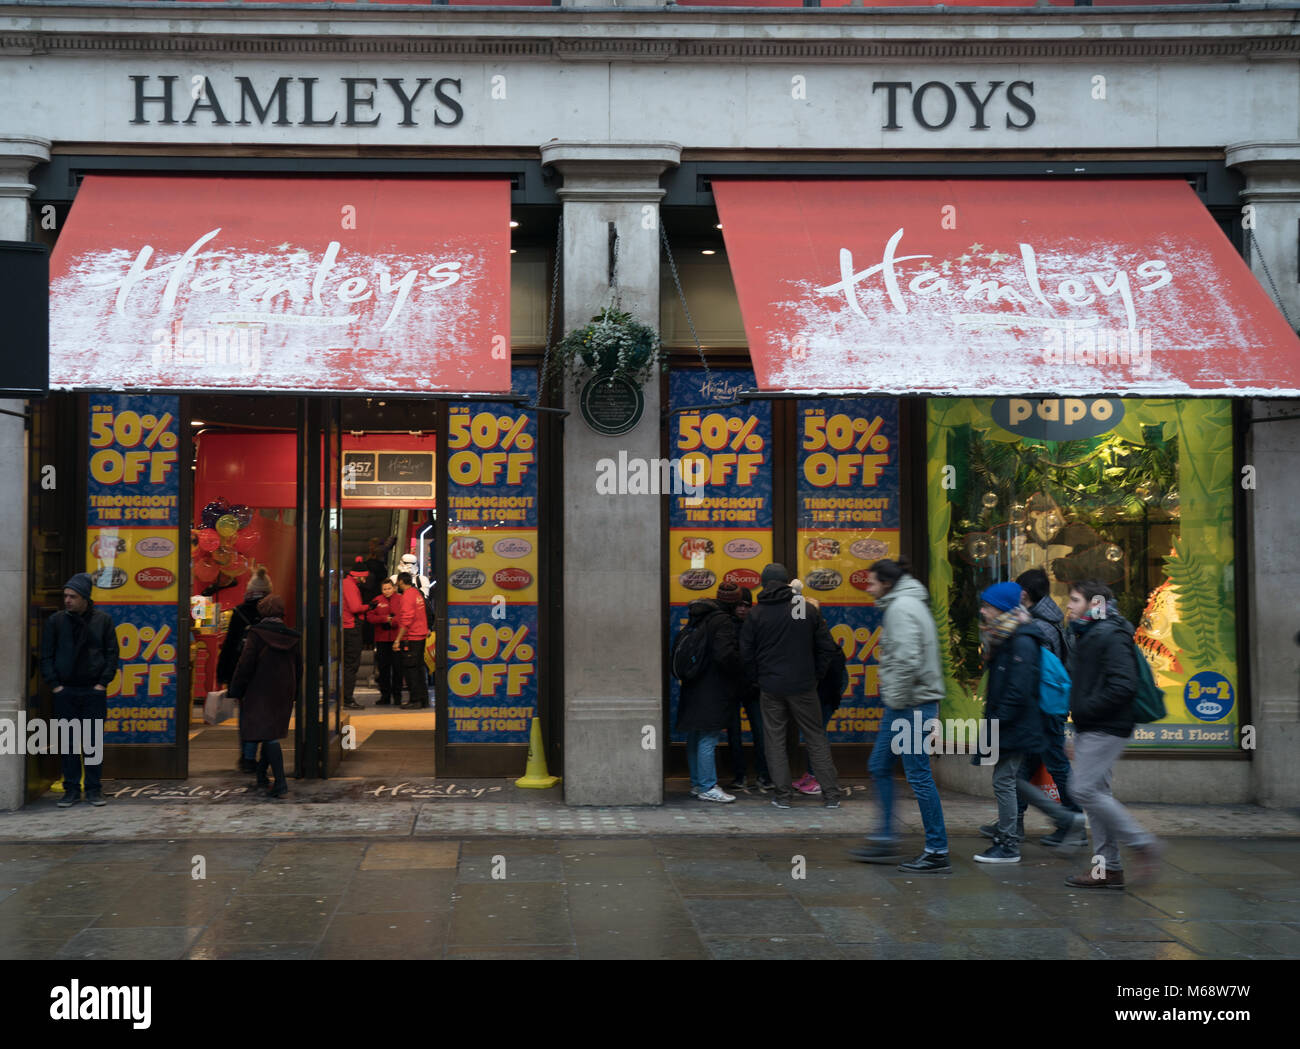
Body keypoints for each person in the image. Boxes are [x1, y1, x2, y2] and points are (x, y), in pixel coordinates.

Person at [972, 582, 1084, 863]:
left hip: (1015, 723)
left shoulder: (1020, 638)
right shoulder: (1006, 634)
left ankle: (1008, 844)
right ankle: (1066, 819)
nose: (983, 611)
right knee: (1014, 780)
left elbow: (1017, 689)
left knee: (1004, 781)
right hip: (1012, 721)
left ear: (1003, 607)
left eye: (988, 605)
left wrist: (996, 722)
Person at [850, 557, 949, 872]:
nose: (868, 588)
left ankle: (937, 850)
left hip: (911, 705)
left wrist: (896, 697)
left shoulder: (901, 608)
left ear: (887, 584)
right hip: (907, 704)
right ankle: (885, 839)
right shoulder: (906, 603)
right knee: (879, 765)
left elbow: (907, 658)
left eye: (873, 582)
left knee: (918, 775)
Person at [1064, 580, 1162, 888]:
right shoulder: (1090, 632)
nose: (1068, 605)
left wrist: (1087, 710)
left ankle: (1142, 843)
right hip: (1093, 724)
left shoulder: (1110, 634)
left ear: (1094, 605)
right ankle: (1108, 868)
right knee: (1096, 795)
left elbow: (1124, 685)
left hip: (1106, 725)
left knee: (1082, 790)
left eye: (1075, 599)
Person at [738, 563, 842, 810]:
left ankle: (783, 796)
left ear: (763, 584)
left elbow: (745, 655)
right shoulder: (801, 608)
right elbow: (827, 647)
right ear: (786, 583)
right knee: (816, 737)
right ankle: (831, 796)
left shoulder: (757, 612)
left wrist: (758, 679)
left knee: (774, 740)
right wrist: (815, 675)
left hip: (771, 686)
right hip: (804, 686)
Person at [39, 573, 119, 808]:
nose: (67, 600)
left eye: (72, 596)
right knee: (68, 744)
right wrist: (55, 685)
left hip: (92, 690)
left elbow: (112, 654)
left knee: (93, 743)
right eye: (65, 596)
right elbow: (46, 655)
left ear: (84, 597)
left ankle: (94, 789)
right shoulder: (56, 621)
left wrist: (102, 683)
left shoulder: (102, 621)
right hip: (66, 691)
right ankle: (71, 789)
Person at [675, 582, 745, 802]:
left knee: (695, 735)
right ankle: (708, 786)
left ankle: (698, 783)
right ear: (734, 603)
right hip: (713, 686)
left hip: (694, 683)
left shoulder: (700, 616)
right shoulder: (722, 621)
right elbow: (724, 655)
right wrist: (739, 667)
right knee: (709, 735)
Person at [228, 594, 301, 799]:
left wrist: (236, 688)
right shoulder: (293, 636)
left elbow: (246, 663)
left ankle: (280, 782)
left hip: (259, 689)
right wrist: (295, 691)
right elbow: (299, 666)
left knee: (267, 736)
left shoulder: (256, 634)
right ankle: (261, 775)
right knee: (269, 731)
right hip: (283, 690)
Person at [787, 580, 848, 797]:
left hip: (823, 695)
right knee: (813, 735)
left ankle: (819, 779)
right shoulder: (816, 633)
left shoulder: (818, 636)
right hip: (822, 694)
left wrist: (816, 685)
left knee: (816, 736)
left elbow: (830, 669)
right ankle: (812, 774)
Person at [216, 567, 271, 773]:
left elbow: (230, 645)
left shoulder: (239, 612)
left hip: (243, 670)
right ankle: (266, 754)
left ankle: (247, 757)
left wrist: (223, 673)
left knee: (246, 715)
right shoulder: (272, 611)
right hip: (267, 671)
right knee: (266, 714)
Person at [723, 587, 772, 792]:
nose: (743, 609)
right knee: (735, 733)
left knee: (760, 732)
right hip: (735, 686)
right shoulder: (726, 625)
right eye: (739, 605)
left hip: (752, 686)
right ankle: (740, 775)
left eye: (746, 605)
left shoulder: (756, 625)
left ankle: (763, 775)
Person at [393, 571, 430, 709]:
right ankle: (423, 699)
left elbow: (406, 619)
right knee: (419, 669)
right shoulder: (416, 593)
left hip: (411, 637)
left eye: (398, 581)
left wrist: (398, 639)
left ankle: (415, 700)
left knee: (411, 670)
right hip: (420, 635)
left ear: (401, 582)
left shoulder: (407, 596)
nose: (397, 584)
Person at [366, 580, 402, 706]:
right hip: (381, 640)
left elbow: (403, 615)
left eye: (389, 588)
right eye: (384, 589)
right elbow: (369, 617)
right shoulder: (376, 600)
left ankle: (397, 696)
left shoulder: (400, 599)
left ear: (394, 588)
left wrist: (393, 621)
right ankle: (385, 696)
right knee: (383, 669)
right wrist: (384, 619)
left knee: (397, 668)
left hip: (397, 639)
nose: (387, 591)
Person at [341, 557, 369, 710]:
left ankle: (344, 696)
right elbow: (355, 607)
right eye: (364, 576)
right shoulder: (350, 585)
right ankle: (347, 698)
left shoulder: (347, 583)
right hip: (351, 628)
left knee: (347, 664)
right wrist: (368, 606)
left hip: (346, 627)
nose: (365, 579)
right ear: (359, 575)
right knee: (352, 664)